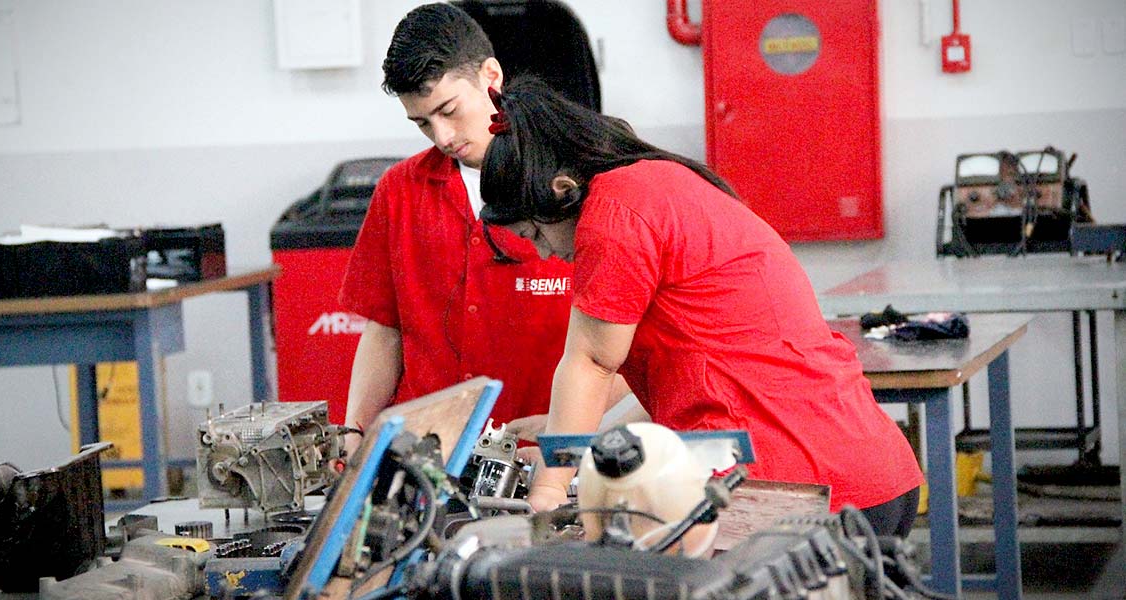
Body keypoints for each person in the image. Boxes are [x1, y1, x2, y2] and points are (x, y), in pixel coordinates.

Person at [479, 77, 925, 537]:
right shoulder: (664, 182)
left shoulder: (614, 212)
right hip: (868, 472)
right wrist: (578, 445)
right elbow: (691, 381)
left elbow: (591, 362)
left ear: (562, 189)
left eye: (535, 233)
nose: (546, 253)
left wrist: (551, 487)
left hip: (797, 489)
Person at [340, 4, 575, 437]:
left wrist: (572, 428)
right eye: (423, 123)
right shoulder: (399, 191)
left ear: (491, 76)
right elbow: (384, 332)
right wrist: (354, 432)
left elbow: (622, 350)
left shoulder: (573, 182)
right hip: (426, 450)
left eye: (449, 110)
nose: (443, 137)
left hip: (539, 447)